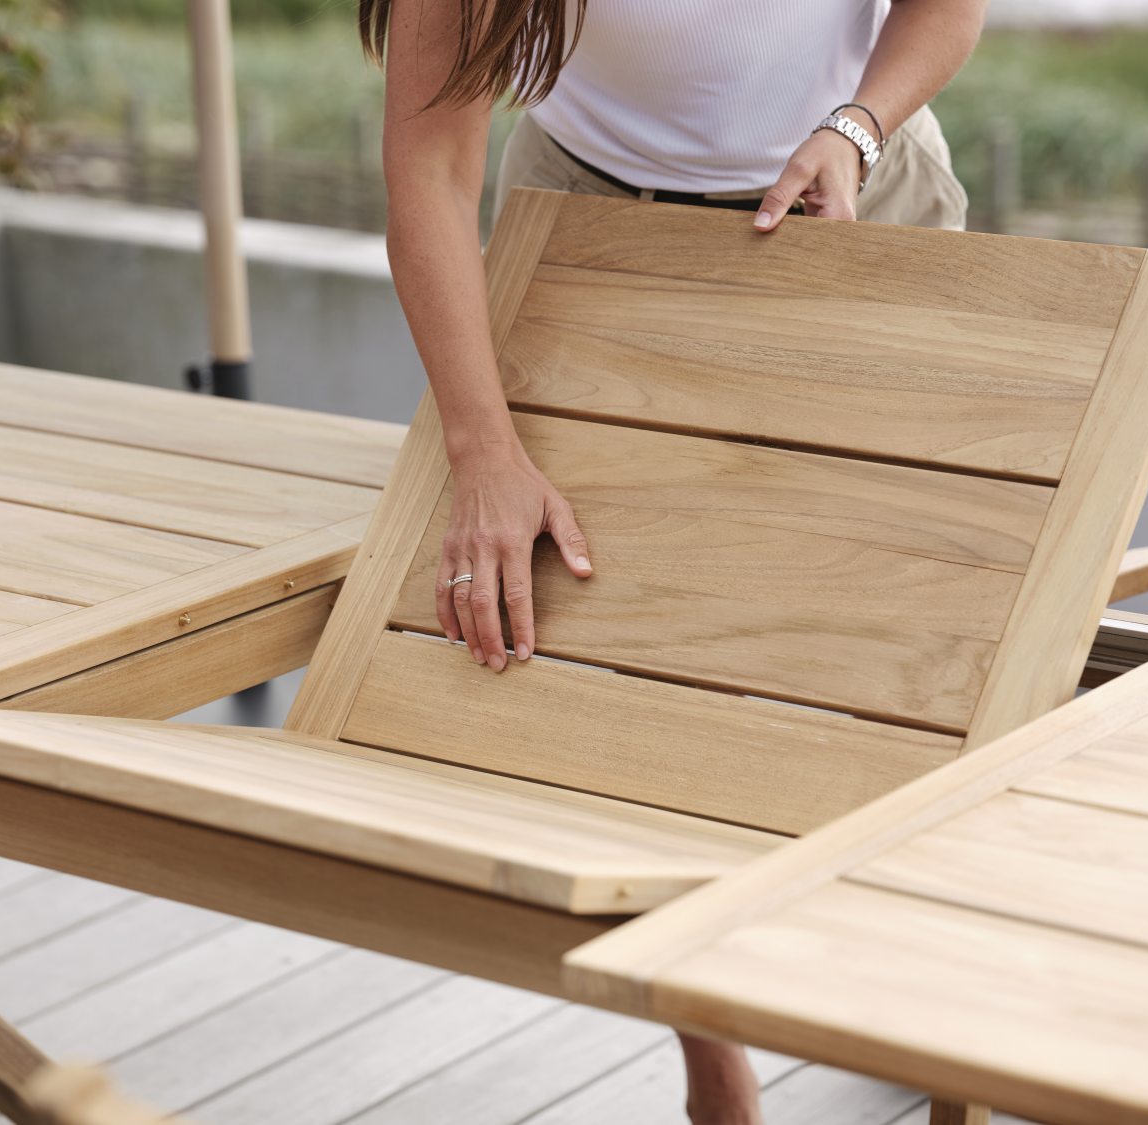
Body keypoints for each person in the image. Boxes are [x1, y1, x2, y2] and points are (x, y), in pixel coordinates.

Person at [363, 2, 987, 1121]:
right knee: (637, 660)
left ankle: (919, 999)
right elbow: (429, 167)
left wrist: (857, 125)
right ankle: (711, 1045)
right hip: (589, 215)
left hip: (859, 186)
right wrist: (484, 451)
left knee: (912, 646)